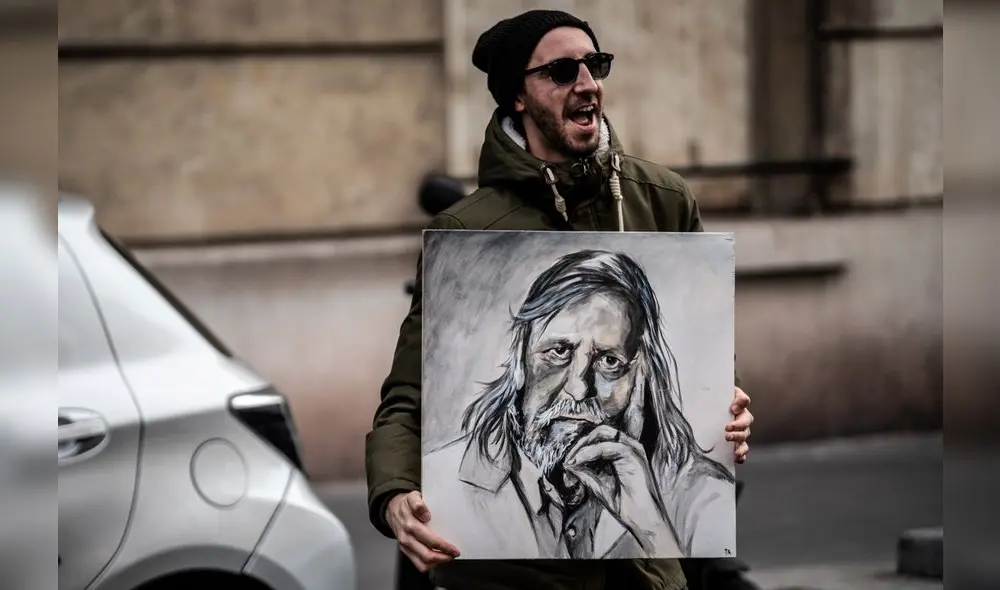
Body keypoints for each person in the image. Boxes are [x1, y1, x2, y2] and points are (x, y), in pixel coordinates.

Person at [366, 9, 755, 590]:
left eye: (594, 65)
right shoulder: (469, 230)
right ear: (517, 97)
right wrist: (395, 493)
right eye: (561, 69)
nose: (587, 82)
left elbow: (705, 365)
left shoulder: (663, 201)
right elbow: (407, 397)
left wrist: (729, 408)